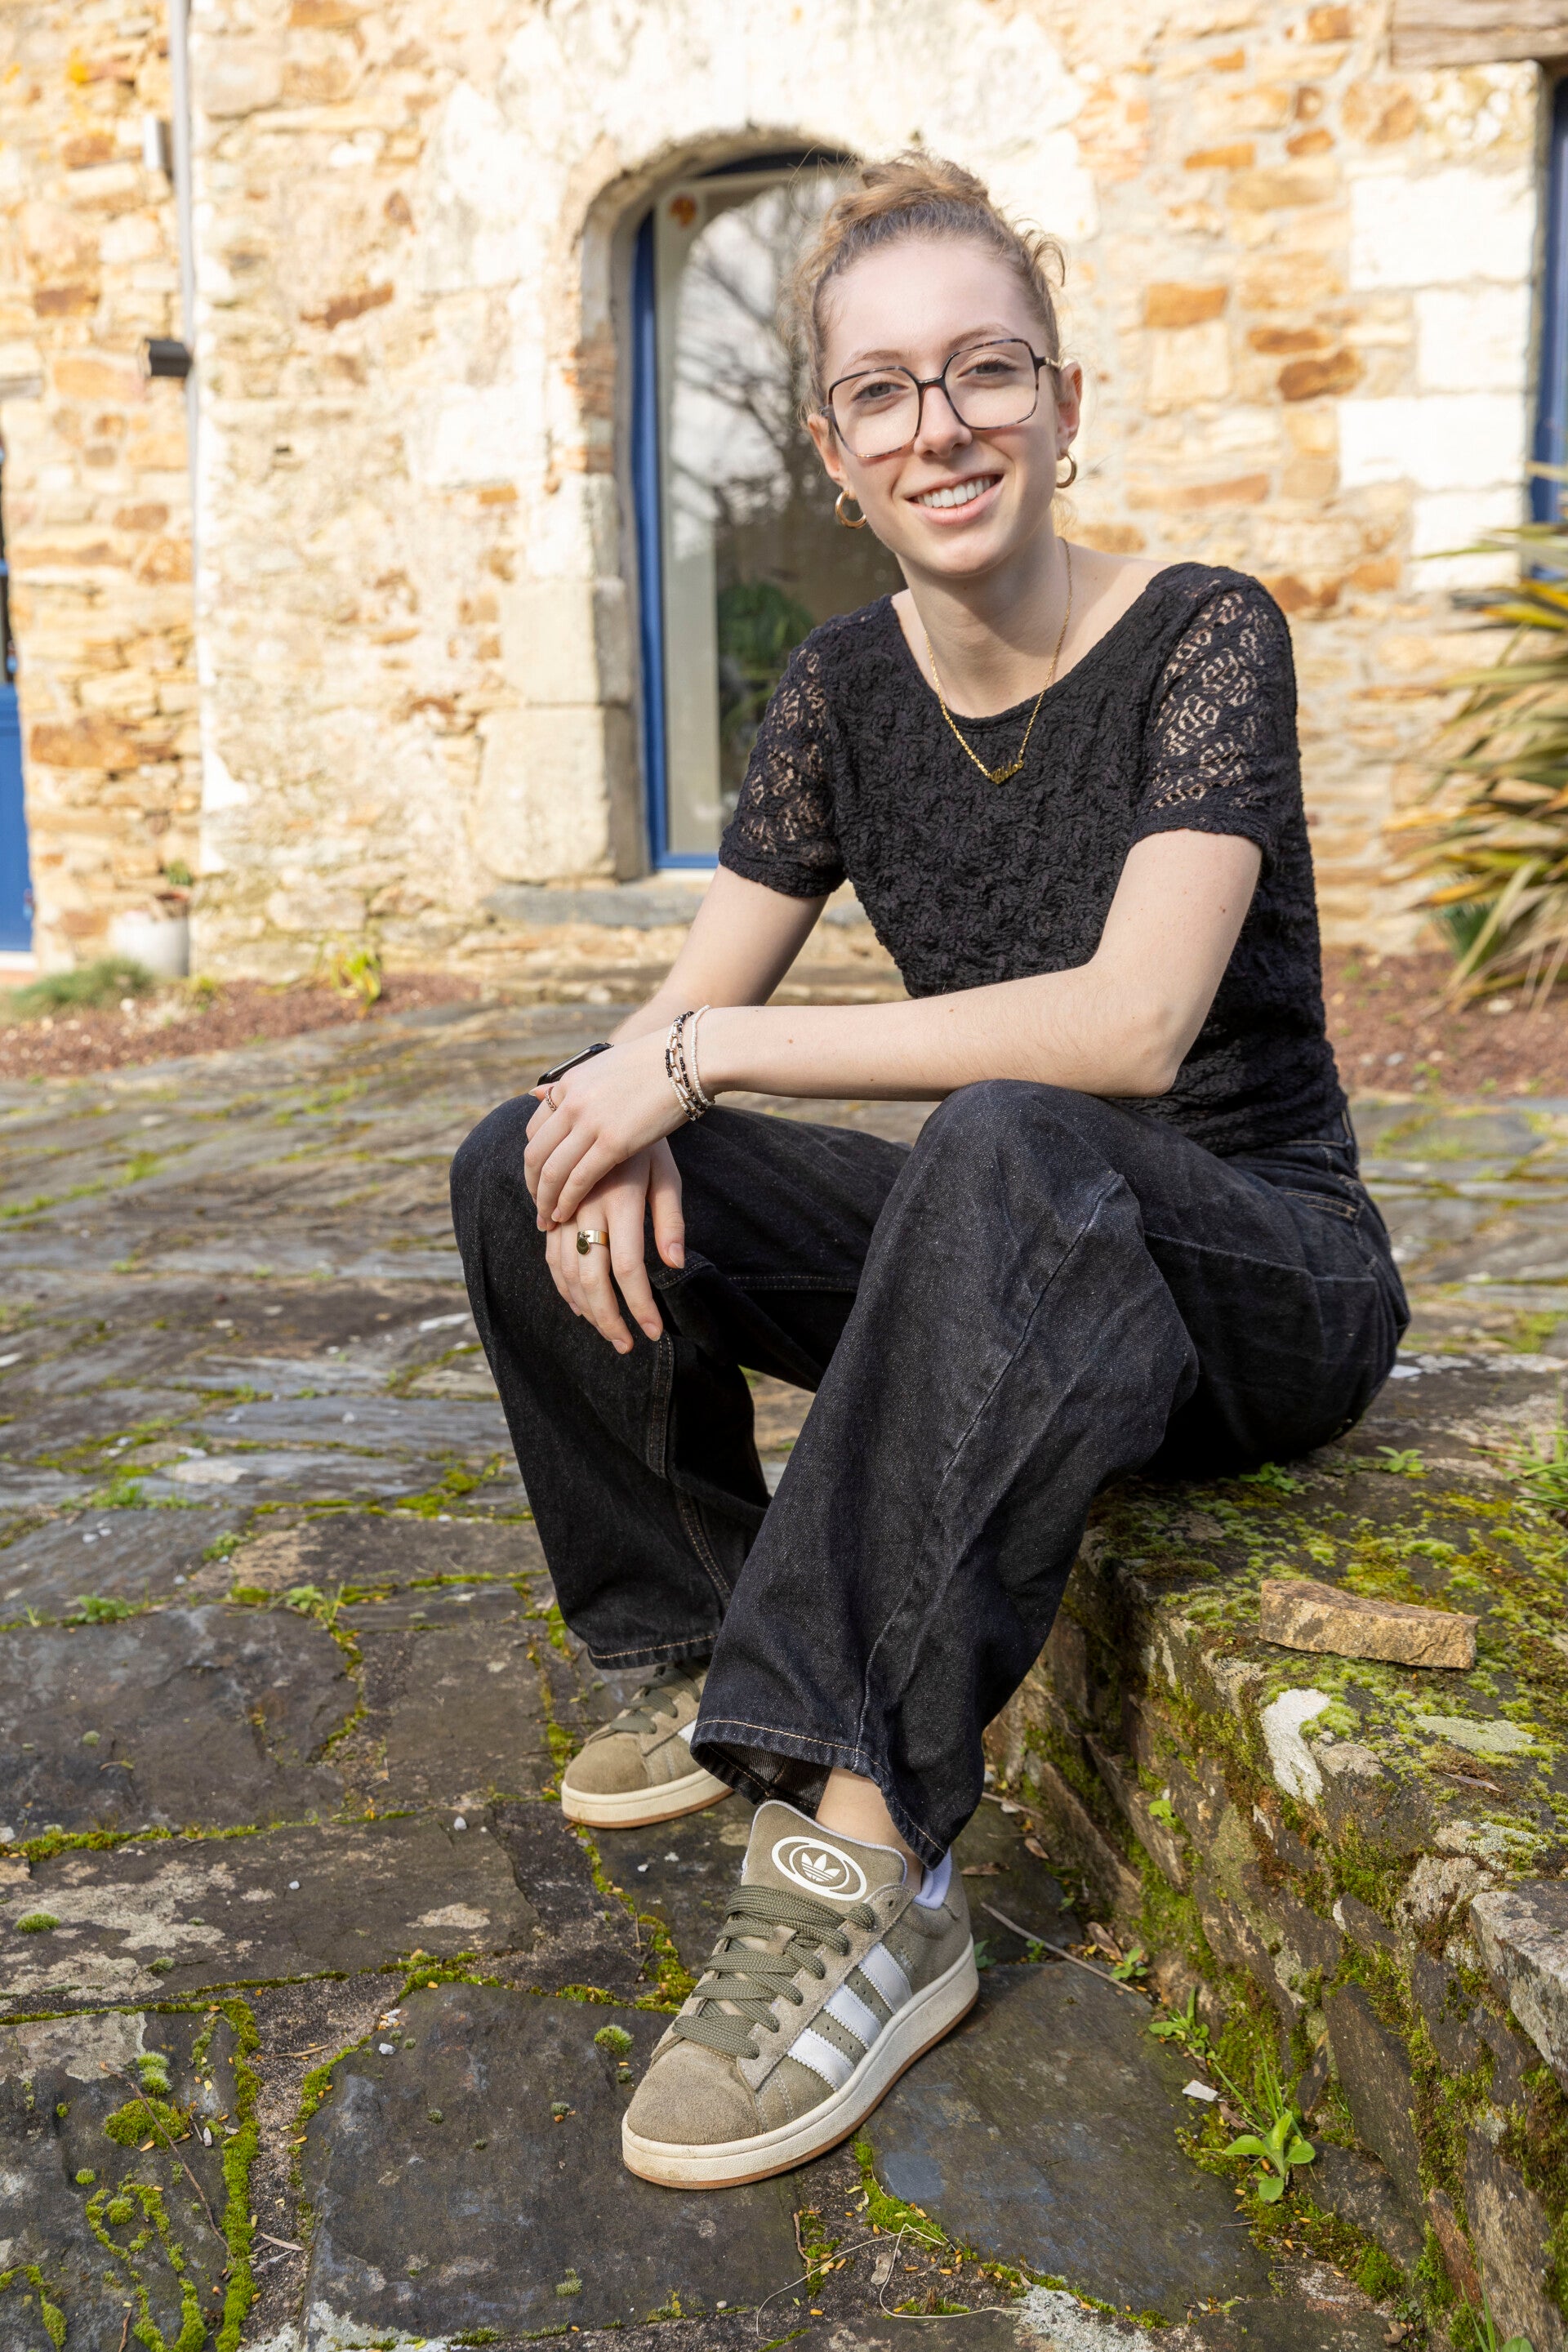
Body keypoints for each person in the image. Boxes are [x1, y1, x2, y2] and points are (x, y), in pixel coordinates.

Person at [450, 153, 1407, 2192]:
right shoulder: (840, 692)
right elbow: (673, 1022)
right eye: (881, 391)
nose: (940, 426)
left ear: (1065, 401)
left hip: (1257, 1272)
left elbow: (1132, 1028)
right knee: (532, 1143)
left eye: (986, 371)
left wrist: (704, 1061)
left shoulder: (1205, 633)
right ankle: (699, 1643)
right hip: (1018, 1237)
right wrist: (619, 1090)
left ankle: (871, 1874)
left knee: (1003, 1127)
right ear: (833, 447)